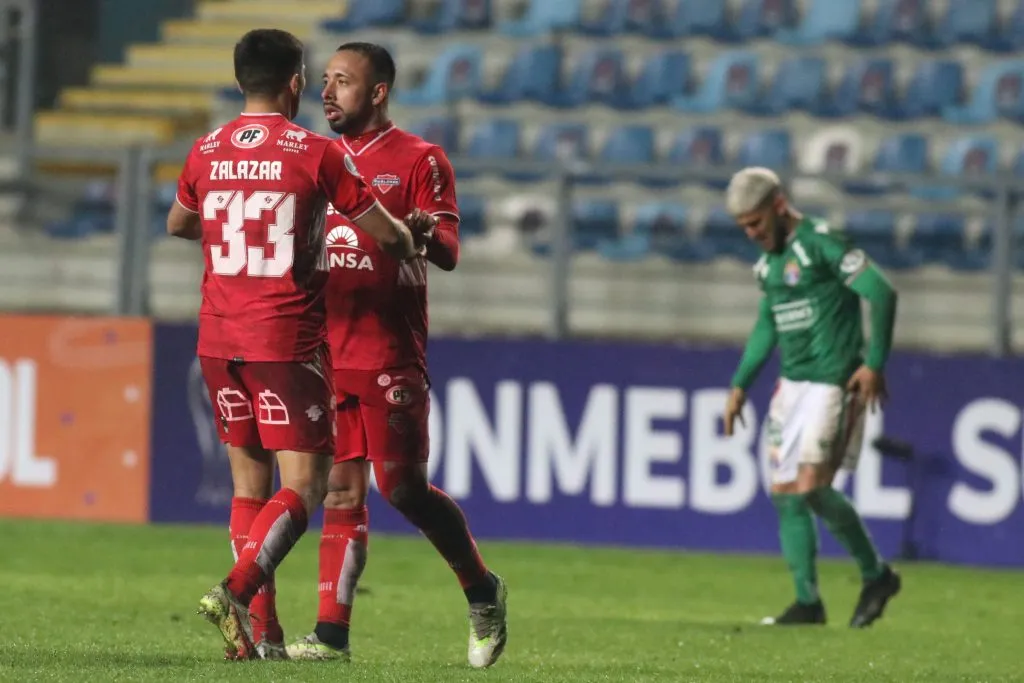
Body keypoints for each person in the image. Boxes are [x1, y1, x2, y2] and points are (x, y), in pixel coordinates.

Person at [165, 28, 432, 660]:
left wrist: (241, 211)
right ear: (295, 83)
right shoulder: (315, 153)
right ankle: (236, 590)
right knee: (307, 485)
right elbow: (388, 240)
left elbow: (179, 223)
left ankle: (263, 640)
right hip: (284, 338)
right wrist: (413, 234)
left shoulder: (205, 148)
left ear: (238, 82)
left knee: (247, 488)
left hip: (217, 337)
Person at [283, 42, 508, 669]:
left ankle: (483, 590)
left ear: (378, 91)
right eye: (324, 80)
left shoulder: (420, 159)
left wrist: (427, 232)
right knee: (338, 491)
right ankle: (331, 635)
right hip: (325, 351)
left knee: (403, 489)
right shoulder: (313, 158)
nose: (327, 92)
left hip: (389, 350)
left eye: (344, 82)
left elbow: (450, 251)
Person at [721, 167, 902, 628]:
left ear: (779, 206)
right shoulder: (768, 265)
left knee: (814, 489)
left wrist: (874, 363)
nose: (752, 234)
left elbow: (881, 292)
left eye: (756, 223)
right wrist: (741, 383)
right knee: (786, 495)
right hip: (792, 386)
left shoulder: (822, 242)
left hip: (834, 382)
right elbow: (767, 325)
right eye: (744, 226)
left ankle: (876, 575)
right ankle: (809, 604)